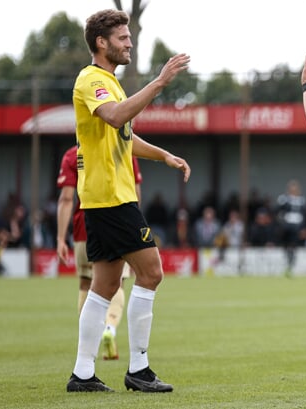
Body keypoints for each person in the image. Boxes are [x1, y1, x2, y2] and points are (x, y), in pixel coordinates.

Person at [66, 9, 191, 393]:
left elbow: (124, 137)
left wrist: (164, 155)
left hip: (104, 199)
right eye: (122, 38)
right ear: (101, 43)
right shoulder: (92, 80)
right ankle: (139, 368)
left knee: (104, 285)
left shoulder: (110, 83)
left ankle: (83, 374)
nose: (129, 43)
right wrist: (160, 82)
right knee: (151, 273)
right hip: (112, 199)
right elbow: (116, 118)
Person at [56, 144, 142, 361]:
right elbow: (134, 193)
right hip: (115, 226)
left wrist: (59, 237)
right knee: (118, 283)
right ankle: (110, 328)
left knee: (86, 284)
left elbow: (66, 199)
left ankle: (88, 347)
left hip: (83, 229)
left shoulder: (71, 156)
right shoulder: (122, 147)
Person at [276, 179, 306, 276]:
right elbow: (278, 212)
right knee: (286, 243)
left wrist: (303, 228)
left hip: (297, 226)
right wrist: (281, 223)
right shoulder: (284, 199)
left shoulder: (301, 201)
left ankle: (292, 263)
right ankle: (286, 260)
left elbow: (305, 215)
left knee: (294, 244)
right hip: (286, 225)